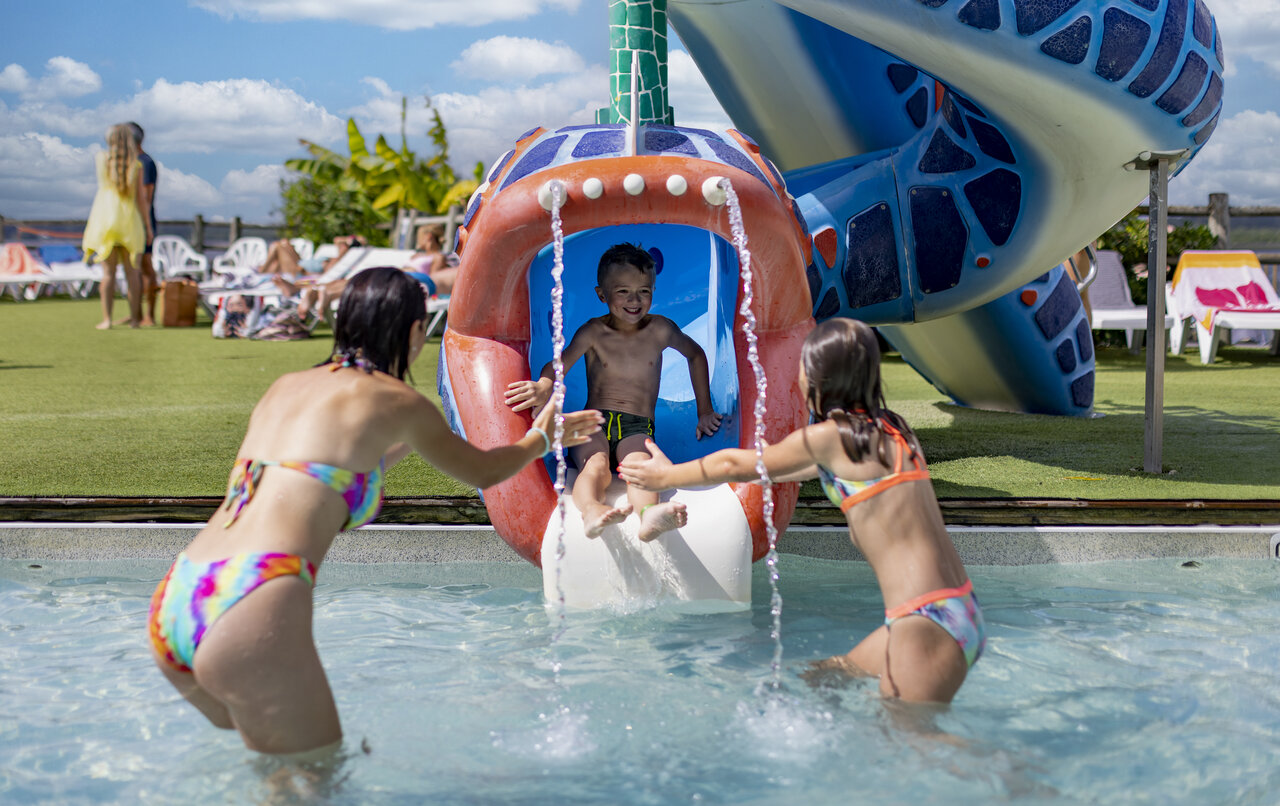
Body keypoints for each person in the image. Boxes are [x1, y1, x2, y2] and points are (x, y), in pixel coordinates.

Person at [147, 267, 603, 755]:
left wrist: (417, 442)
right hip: (253, 602)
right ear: (411, 331)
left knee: (278, 771)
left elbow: (322, 474)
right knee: (311, 779)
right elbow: (488, 472)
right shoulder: (396, 399)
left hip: (181, 594)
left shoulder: (285, 387)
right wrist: (540, 437)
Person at [619, 318, 985, 703]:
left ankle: (1018, 767)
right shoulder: (892, 431)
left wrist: (665, 476)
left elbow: (734, 465)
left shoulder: (829, 438)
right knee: (825, 676)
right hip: (954, 609)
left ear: (814, 377)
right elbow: (774, 471)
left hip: (924, 622)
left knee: (911, 746)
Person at [505, 242, 722, 541]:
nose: (634, 300)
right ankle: (592, 510)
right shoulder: (593, 331)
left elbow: (696, 354)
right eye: (623, 291)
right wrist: (544, 385)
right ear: (602, 294)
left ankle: (649, 517)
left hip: (636, 424)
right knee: (595, 466)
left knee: (640, 466)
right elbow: (560, 363)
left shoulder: (660, 329)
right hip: (594, 420)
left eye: (644, 291)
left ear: (654, 290)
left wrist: (704, 411)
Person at [82, 123, 146, 329]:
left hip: (105, 218)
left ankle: (107, 319)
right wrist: (148, 228)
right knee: (132, 273)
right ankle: (135, 319)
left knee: (108, 274)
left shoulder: (101, 159)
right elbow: (141, 201)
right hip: (128, 220)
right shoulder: (136, 165)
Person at [127, 123, 159, 326]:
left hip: (143, 222)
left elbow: (146, 198)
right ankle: (135, 314)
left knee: (146, 267)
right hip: (128, 223)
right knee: (132, 269)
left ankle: (150, 315)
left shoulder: (145, 163)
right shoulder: (128, 163)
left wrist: (147, 228)